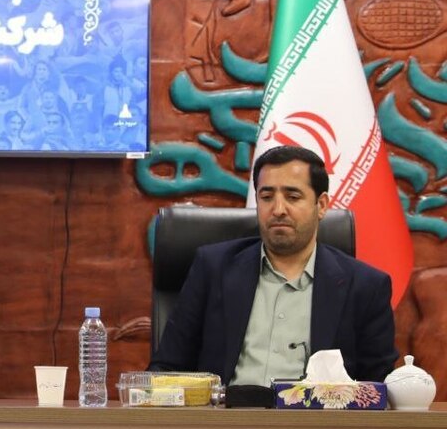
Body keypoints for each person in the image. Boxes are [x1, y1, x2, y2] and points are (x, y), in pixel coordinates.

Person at [149, 145, 397, 384]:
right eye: (267, 197)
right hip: (227, 411)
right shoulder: (213, 269)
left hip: (315, 413)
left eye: (293, 197)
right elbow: (167, 369)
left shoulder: (365, 287)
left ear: (321, 206)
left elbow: (377, 388)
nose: (278, 209)